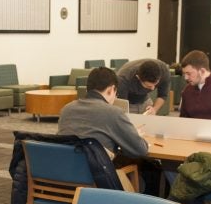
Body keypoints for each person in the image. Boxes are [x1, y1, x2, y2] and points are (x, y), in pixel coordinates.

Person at [59, 66, 158, 194]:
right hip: (96, 179)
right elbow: (141, 149)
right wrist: (135, 135)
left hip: (65, 174)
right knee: (150, 168)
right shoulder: (113, 112)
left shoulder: (66, 109)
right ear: (111, 89)